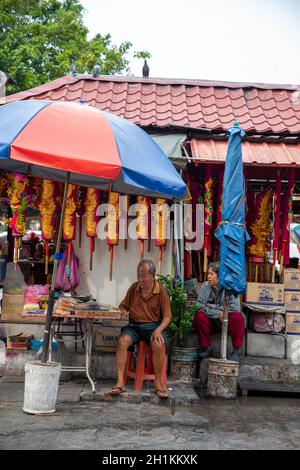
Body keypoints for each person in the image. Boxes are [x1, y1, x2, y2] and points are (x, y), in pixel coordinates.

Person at [109, 259, 171, 398]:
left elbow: (167, 317)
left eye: (144, 276)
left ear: (152, 276)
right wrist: (123, 310)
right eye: (138, 276)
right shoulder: (134, 288)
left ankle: (158, 383)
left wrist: (158, 330)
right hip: (134, 327)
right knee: (122, 341)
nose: (140, 280)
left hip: (152, 327)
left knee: (159, 344)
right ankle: (119, 382)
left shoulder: (161, 291)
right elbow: (123, 305)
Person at [193, 261, 245, 362]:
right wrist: (217, 313)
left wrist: (218, 309)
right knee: (199, 316)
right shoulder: (205, 286)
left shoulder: (230, 287)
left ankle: (236, 351)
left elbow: (236, 308)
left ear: (220, 276)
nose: (208, 277)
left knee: (238, 318)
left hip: (226, 321)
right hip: (212, 322)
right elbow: (198, 306)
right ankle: (206, 347)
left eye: (211, 274)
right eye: (208, 273)